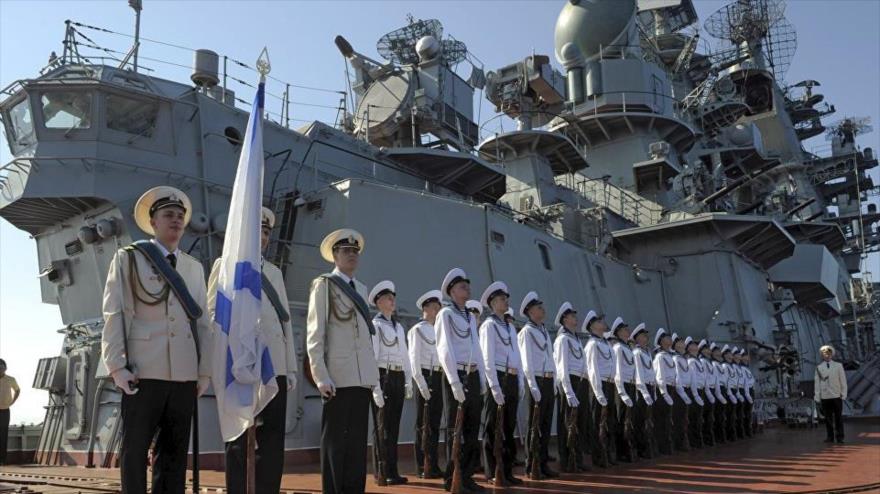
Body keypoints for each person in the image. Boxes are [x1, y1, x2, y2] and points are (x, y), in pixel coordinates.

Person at [101, 186, 212, 493]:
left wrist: (204, 372)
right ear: (153, 222)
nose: (176, 220)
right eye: (168, 215)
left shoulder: (193, 267)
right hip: (143, 371)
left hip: (184, 374)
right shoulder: (129, 258)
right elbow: (115, 313)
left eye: (180, 216)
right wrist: (117, 367)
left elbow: (203, 322)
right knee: (135, 451)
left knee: (174, 454)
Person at [210, 207, 298, 494]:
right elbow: (214, 316)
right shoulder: (225, 265)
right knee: (238, 436)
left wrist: (290, 367)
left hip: (275, 365)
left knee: (272, 438)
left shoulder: (273, 272)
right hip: (240, 364)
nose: (261, 237)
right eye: (256, 230)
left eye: (266, 232)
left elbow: (284, 320)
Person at [306, 228, 381, 494]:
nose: (352, 255)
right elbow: (315, 333)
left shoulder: (361, 289)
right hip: (337, 377)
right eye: (346, 251)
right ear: (335, 255)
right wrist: (321, 376)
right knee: (335, 442)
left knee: (357, 443)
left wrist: (372, 377)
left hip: (361, 379)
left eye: (355, 251)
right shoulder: (324, 285)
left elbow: (365, 338)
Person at [435, 268, 486, 493]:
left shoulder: (469, 317)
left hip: (472, 375)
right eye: (461, 286)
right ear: (452, 291)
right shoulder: (445, 314)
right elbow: (444, 348)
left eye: (467, 285)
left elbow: (477, 348)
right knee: (456, 430)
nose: (467, 288)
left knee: (472, 429)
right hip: (457, 374)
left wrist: (481, 378)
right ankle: (452, 478)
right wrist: (454, 382)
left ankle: (466, 476)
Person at [479, 282, 524, 485]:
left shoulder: (510, 327)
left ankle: (507, 470)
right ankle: (492, 472)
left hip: (512, 378)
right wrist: (495, 386)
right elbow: (487, 358)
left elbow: (517, 356)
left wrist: (520, 380)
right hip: (498, 377)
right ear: (493, 303)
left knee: (508, 426)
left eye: (506, 299)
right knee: (493, 427)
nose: (506, 302)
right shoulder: (489, 326)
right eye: (502, 299)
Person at [368, 280, 412, 485]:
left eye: (393, 297)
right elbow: (372, 357)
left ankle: (393, 471)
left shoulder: (398, 327)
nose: (392, 301)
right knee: (382, 427)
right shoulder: (375, 325)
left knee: (393, 427)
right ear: (378, 302)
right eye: (388, 298)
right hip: (383, 377)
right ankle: (382, 472)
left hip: (397, 376)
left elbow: (404, 355)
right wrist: (375, 387)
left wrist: (408, 380)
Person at [518, 292, 558, 479]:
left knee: (546, 423)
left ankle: (542, 462)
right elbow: (526, 361)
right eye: (538, 307)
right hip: (537, 380)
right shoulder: (527, 332)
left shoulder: (543, 331)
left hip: (548, 380)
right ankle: (531, 464)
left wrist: (554, 380)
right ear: (530, 311)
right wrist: (533, 385)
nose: (542, 310)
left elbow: (550, 357)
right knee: (535, 425)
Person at [409, 290, 445, 479]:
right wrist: (422, 385)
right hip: (425, 377)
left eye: (439, 307)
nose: (438, 310)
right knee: (423, 424)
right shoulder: (417, 330)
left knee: (435, 423)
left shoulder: (439, 330)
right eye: (434, 307)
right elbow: (414, 360)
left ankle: (433, 464)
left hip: (439, 377)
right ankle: (423, 466)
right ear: (426, 308)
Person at [552, 302, 589, 473]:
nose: (576, 319)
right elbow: (562, 367)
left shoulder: (576, 339)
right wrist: (568, 390)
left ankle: (577, 458)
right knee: (568, 422)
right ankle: (567, 460)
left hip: (580, 381)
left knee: (579, 422)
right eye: (572, 316)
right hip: (570, 382)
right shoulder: (563, 339)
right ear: (565, 319)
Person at [584, 312, 617, 467]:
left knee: (609, 421)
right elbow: (592, 369)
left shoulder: (606, 344)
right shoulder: (592, 344)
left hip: (609, 383)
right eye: (599, 321)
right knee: (599, 421)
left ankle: (607, 452)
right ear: (592, 326)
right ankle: (599, 456)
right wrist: (598, 391)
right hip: (600, 384)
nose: (603, 323)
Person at [609, 318, 637, 463]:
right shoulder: (618, 348)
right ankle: (621, 451)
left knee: (628, 419)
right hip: (622, 385)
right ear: (619, 332)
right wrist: (621, 392)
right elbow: (618, 371)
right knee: (621, 420)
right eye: (625, 330)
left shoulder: (628, 348)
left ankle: (627, 449)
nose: (628, 331)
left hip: (630, 385)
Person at [630, 324, 656, 459]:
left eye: (646, 336)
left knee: (648, 420)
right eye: (643, 336)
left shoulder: (648, 353)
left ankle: (647, 446)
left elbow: (651, 373)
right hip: (642, 389)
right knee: (640, 421)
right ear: (637, 338)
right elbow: (639, 375)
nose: (646, 338)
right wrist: (645, 393)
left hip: (650, 387)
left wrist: (654, 391)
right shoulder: (637, 353)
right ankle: (641, 449)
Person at [814, 345, 846, 444]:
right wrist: (817, 396)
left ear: (832, 354)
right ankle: (830, 437)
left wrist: (843, 393)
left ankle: (840, 437)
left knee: (838, 417)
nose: (827, 355)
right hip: (825, 396)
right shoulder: (819, 367)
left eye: (828, 353)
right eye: (824, 354)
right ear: (822, 355)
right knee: (827, 418)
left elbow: (843, 380)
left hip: (836, 395)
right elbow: (817, 383)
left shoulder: (838, 366)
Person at [652, 329, 676, 455]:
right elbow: (659, 377)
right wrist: (665, 394)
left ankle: (668, 444)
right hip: (663, 390)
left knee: (668, 419)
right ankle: (662, 447)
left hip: (671, 388)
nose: (670, 340)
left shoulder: (670, 356)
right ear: (661, 341)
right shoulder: (660, 357)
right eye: (667, 338)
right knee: (661, 420)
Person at [670, 333, 695, 452]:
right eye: (680, 342)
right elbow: (677, 377)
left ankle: (684, 441)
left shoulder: (684, 359)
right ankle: (679, 444)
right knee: (678, 418)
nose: (683, 344)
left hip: (687, 389)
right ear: (675, 345)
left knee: (685, 418)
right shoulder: (675, 359)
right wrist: (683, 393)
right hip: (679, 391)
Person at [683, 337, 705, 449]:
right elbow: (693, 379)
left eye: (696, 344)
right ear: (688, 348)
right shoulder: (691, 361)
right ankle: (693, 441)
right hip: (694, 391)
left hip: (701, 390)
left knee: (699, 417)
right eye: (692, 345)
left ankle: (698, 440)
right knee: (694, 417)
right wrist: (695, 395)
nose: (696, 346)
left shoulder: (698, 361)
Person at [0, 359, 20, 465]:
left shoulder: (11, 379)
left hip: (5, 411)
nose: (0, 369)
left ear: (5, 368)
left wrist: (13, 401)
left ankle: (2, 460)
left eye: (2, 367)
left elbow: (17, 390)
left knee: (3, 435)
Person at [697, 340, 717, 446]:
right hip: (706, 390)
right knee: (706, 416)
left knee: (710, 416)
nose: (709, 351)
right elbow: (704, 378)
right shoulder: (702, 362)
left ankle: (710, 437)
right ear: (702, 350)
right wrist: (708, 392)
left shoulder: (708, 362)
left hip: (711, 390)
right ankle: (706, 438)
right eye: (707, 349)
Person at [740, 349, 755, 437]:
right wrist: (747, 394)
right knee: (746, 412)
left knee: (749, 412)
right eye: (745, 356)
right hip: (746, 391)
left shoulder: (746, 368)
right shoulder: (742, 369)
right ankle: (746, 430)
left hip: (750, 390)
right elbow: (744, 382)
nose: (748, 357)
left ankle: (748, 429)